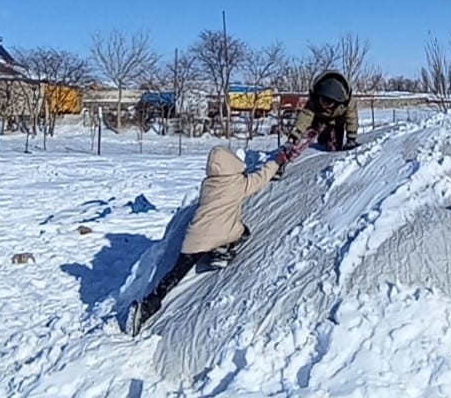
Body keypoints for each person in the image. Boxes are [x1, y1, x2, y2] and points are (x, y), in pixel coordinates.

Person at [129, 146, 281, 334]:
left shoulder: (208, 185)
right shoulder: (238, 183)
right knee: (243, 231)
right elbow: (260, 178)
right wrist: (277, 162)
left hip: (194, 238)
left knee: (174, 275)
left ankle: (147, 307)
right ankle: (221, 251)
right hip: (221, 234)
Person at [281, 71, 359, 165]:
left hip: (337, 121)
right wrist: (296, 133)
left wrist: (351, 138)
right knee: (313, 138)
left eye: (328, 103)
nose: (324, 105)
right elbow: (306, 115)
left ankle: (327, 140)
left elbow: (352, 118)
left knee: (334, 148)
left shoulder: (348, 102)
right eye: (323, 101)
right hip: (319, 119)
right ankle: (287, 156)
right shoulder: (315, 98)